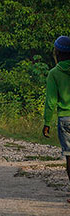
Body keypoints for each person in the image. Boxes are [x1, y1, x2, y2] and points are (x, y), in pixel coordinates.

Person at [43, 35, 70, 203]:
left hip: (65, 119)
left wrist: (46, 122)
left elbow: (50, 101)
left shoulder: (54, 73)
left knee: (69, 157)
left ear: (58, 53)